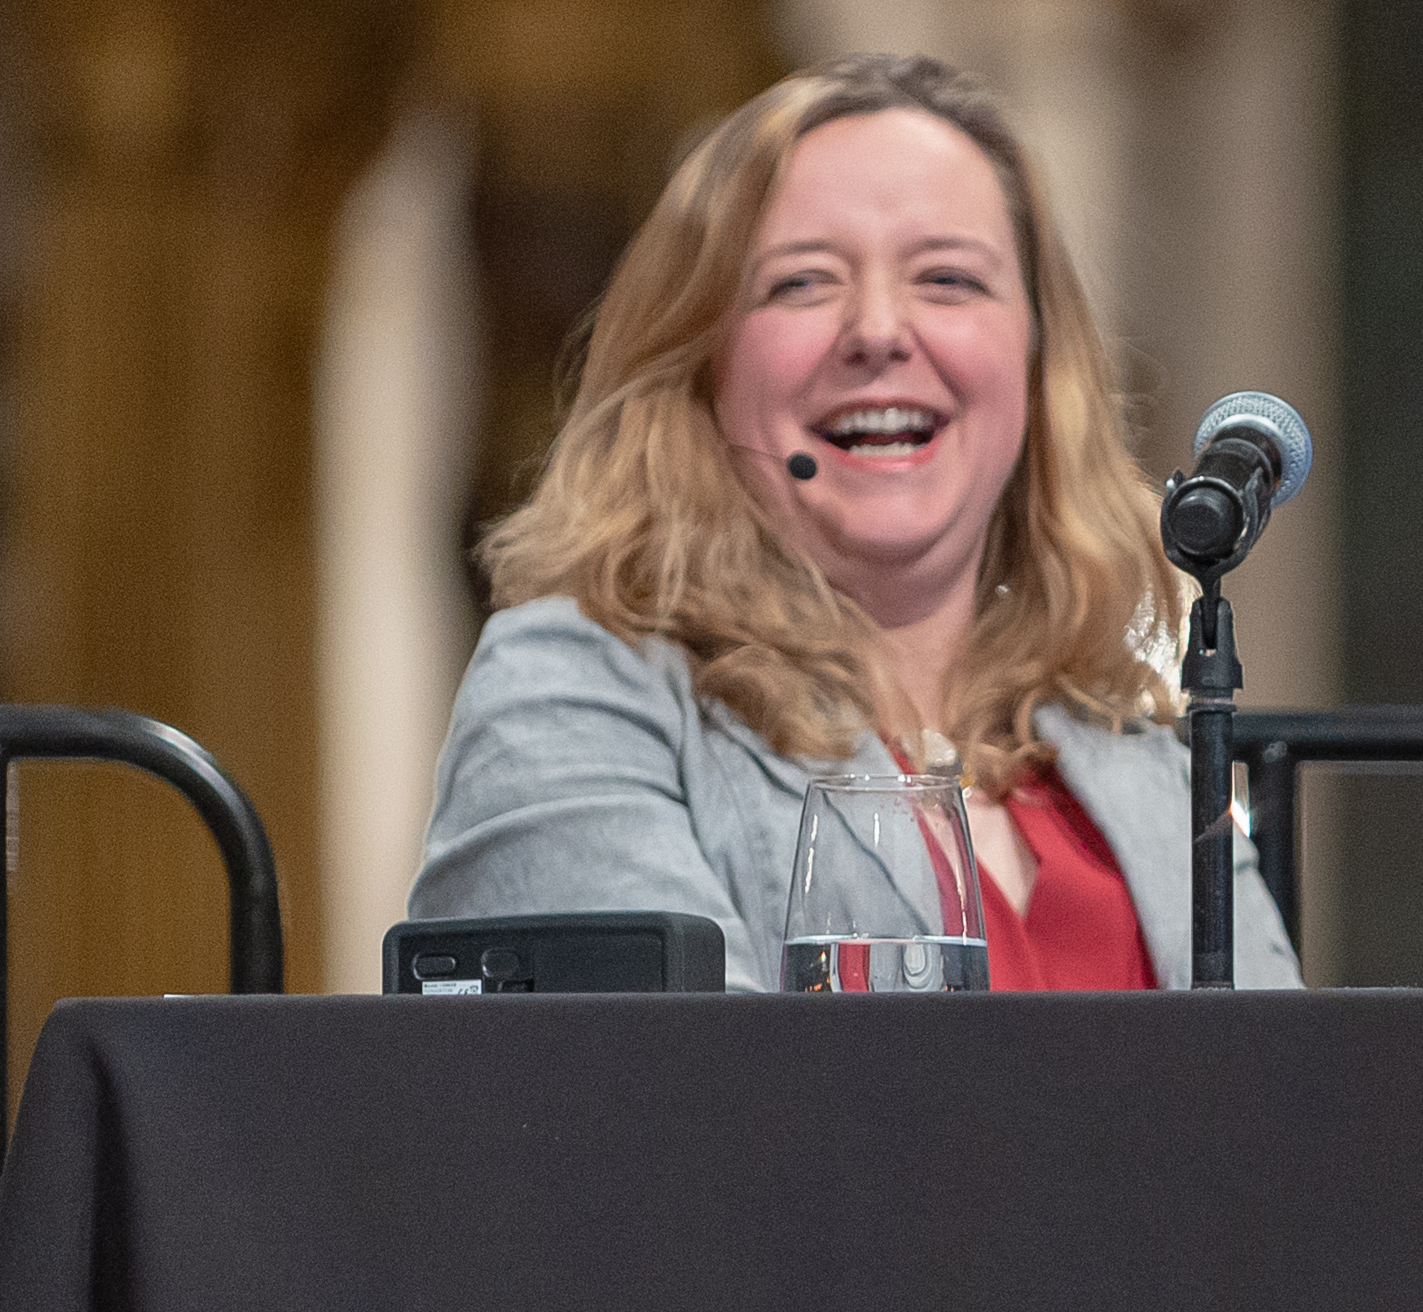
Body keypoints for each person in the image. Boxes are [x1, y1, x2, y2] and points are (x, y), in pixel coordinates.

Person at [409, 51, 1297, 991]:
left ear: (1039, 369)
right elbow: (678, 1117)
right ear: (698, 365)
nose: (877, 329)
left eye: (948, 280)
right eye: (802, 283)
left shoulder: (1131, 747)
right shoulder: (572, 693)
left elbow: (1294, 1111)